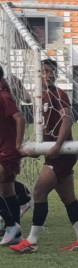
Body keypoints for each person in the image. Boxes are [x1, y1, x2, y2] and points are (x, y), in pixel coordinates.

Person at [11, 59, 78, 253]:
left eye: (50, 71)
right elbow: (27, 98)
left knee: (38, 192)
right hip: (53, 153)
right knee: (68, 197)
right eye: (43, 71)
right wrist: (18, 85)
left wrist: (57, 145)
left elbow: (68, 118)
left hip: (61, 153)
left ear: (56, 73)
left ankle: (32, 240)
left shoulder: (58, 93)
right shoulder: (42, 94)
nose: (48, 75)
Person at [0, 65, 25, 246]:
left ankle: (10, 225)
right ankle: (15, 230)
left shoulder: (3, 96)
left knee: (8, 189)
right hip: (3, 147)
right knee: (8, 190)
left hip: (7, 150)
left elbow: (19, 118)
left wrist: (18, 144)